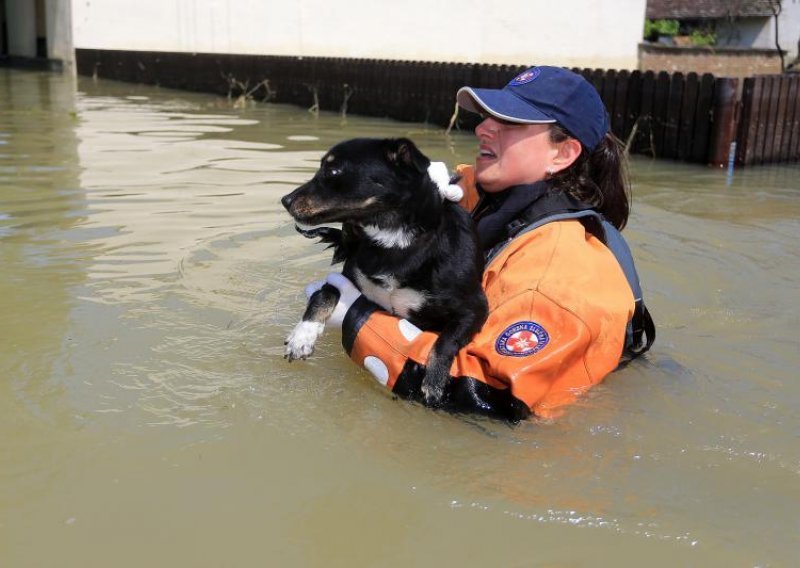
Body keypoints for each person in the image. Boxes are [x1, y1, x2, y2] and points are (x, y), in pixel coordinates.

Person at [313, 65, 654, 421]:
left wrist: (359, 321)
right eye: (488, 116)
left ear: (562, 154)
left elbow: (486, 399)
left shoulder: (554, 273)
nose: (481, 128)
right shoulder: (486, 195)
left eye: (509, 122)